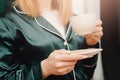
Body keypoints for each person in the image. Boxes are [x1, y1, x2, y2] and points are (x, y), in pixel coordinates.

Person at [0, 0, 103, 80]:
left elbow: (87, 73)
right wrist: (44, 69)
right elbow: (3, 76)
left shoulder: (75, 19)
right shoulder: (7, 23)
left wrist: (90, 43)